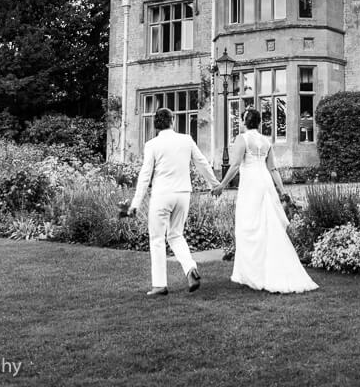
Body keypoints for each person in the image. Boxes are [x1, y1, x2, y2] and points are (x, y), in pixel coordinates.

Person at [211, 108, 317, 293]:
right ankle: (264, 270)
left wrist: (221, 185)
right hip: (266, 184)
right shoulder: (266, 141)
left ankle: (254, 274)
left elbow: (235, 165)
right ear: (259, 123)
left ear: (245, 122)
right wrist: (283, 192)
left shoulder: (242, 139)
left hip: (251, 185)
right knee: (267, 226)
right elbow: (273, 169)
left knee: (248, 226)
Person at [128, 107, 220, 297]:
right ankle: (190, 269)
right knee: (176, 235)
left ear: (156, 125)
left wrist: (135, 204)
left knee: (157, 239)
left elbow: (145, 176)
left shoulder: (152, 144)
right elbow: (201, 162)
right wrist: (214, 184)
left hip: (162, 195)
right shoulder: (186, 140)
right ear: (173, 122)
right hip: (183, 194)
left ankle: (160, 285)